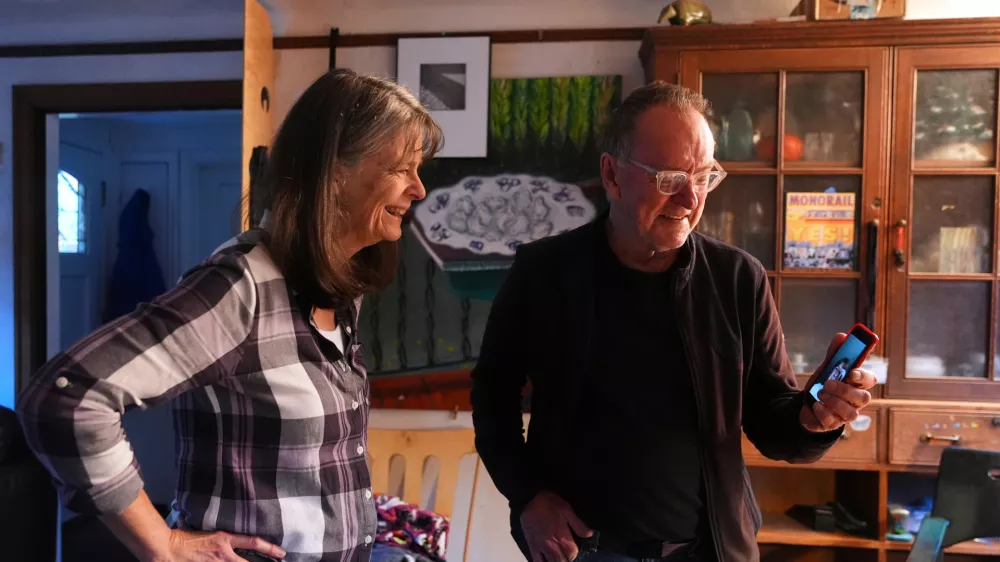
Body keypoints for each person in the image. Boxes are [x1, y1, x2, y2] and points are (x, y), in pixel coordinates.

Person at [17, 68, 442, 562]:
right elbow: (65, 399)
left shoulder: (338, 286)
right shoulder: (241, 288)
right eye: (401, 169)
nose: (418, 189)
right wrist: (163, 544)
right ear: (334, 169)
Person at [469, 82, 876, 562]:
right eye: (668, 178)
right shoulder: (545, 274)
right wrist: (528, 496)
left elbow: (772, 419)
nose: (689, 199)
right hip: (582, 551)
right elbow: (492, 397)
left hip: (708, 550)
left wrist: (816, 417)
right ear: (612, 175)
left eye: (702, 176)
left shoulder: (736, 278)